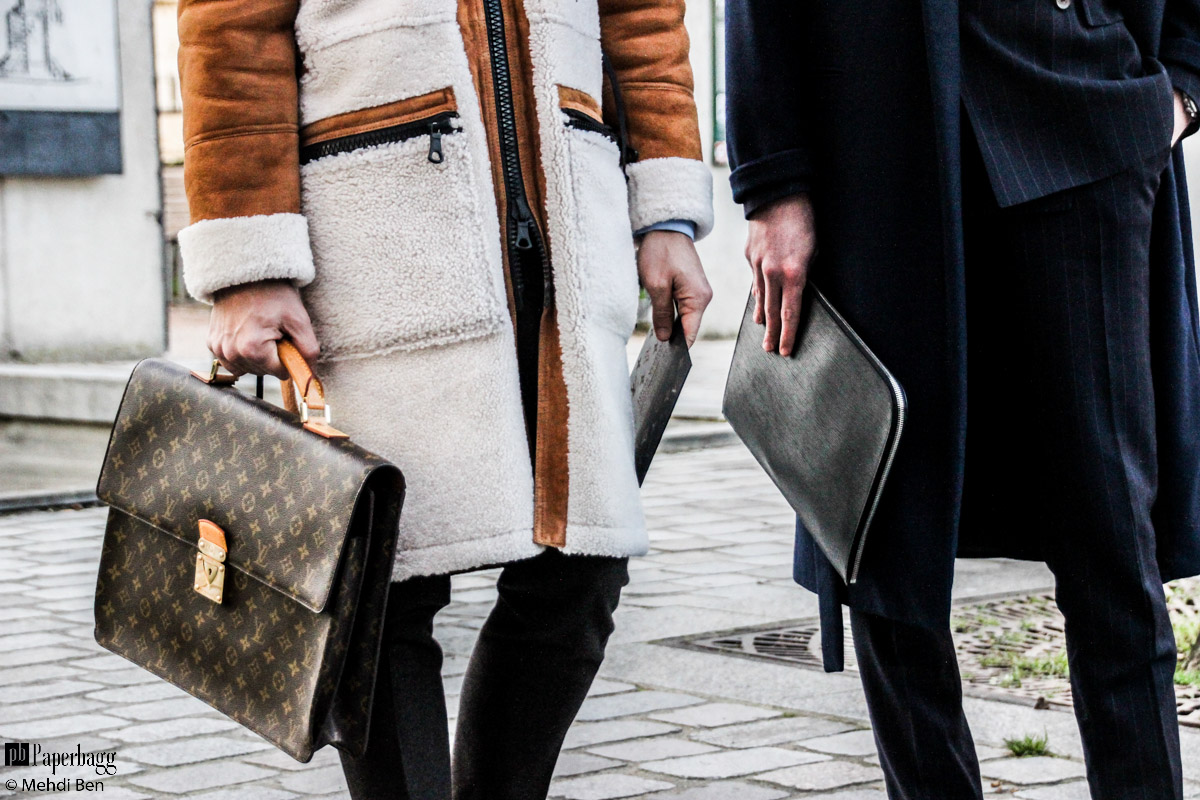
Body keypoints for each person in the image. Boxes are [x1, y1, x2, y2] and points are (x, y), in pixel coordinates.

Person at [173, 0, 714, 797]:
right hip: (372, 224)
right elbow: (230, 29)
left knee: (582, 570)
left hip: (567, 219)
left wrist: (663, 206)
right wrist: (250, 257)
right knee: (387, 583)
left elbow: (643, 15)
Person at [725, 1, 1200, 797]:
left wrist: (1180, 86)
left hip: (1087, 113)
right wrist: (772, 178)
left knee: (1112, 536)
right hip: (874, 130)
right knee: (880, 522)